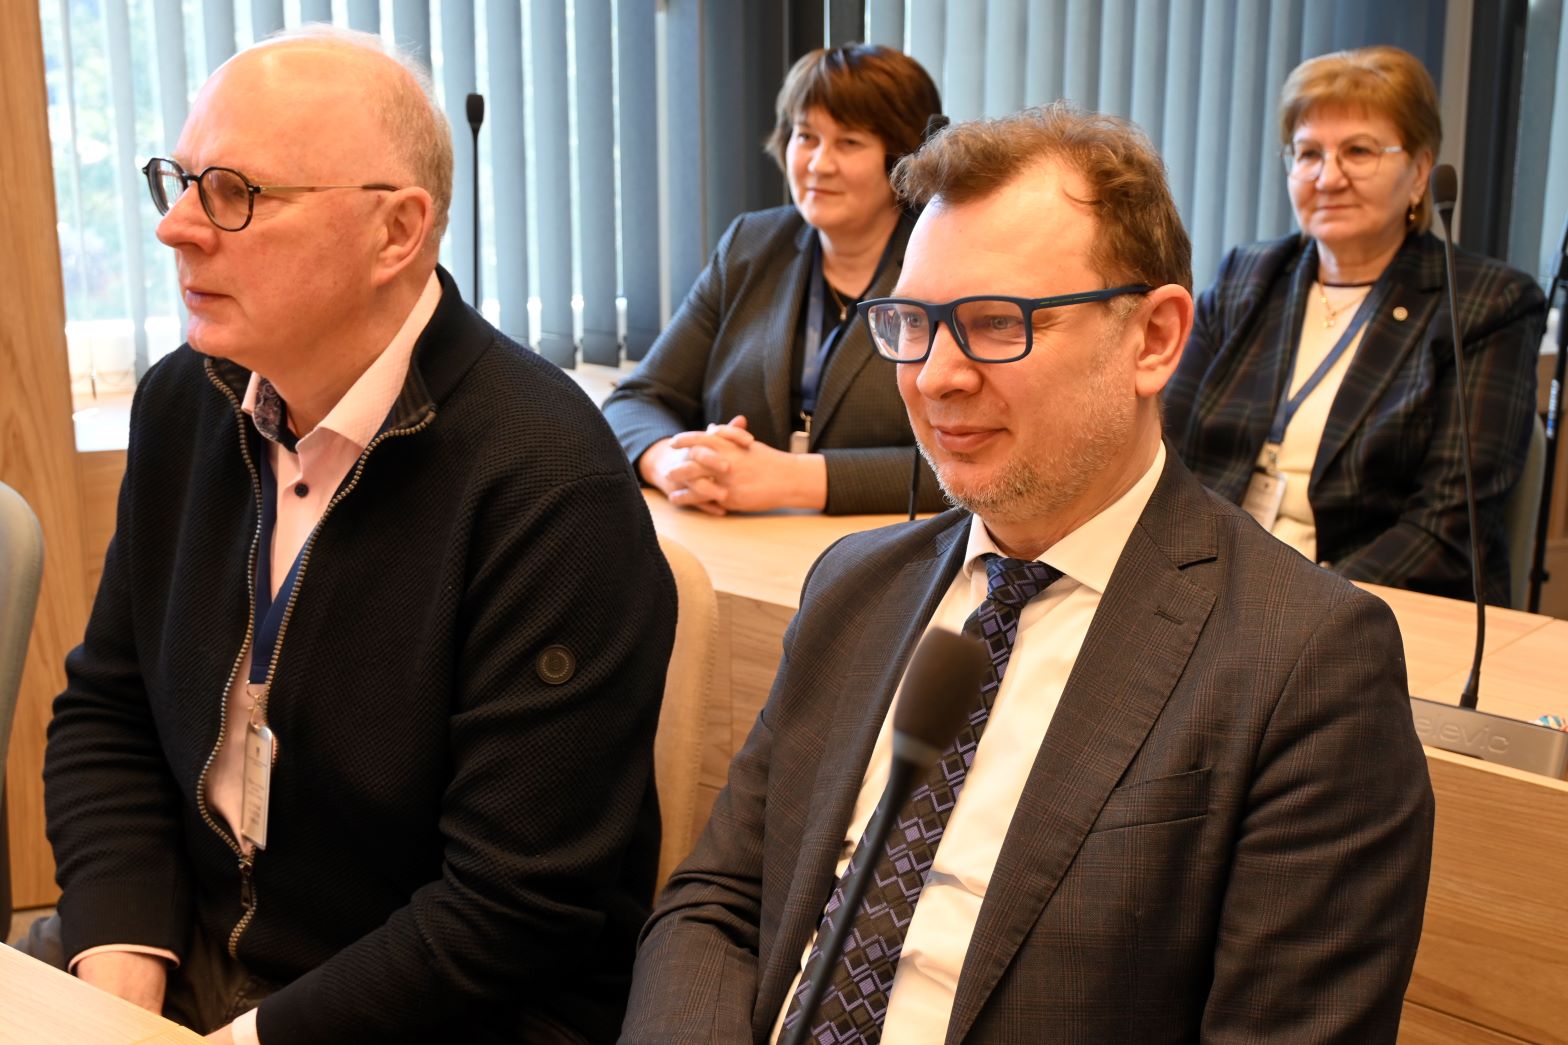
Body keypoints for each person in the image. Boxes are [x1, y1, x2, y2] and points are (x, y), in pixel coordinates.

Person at [620, 103, 1434, 1044]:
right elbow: (720, 902)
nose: (935, 376)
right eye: (912, 323)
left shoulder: (1308, 662)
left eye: (995, 323)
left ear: (1155, 339)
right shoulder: (856, 586)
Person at [29, 26, 674, 1045]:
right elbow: (111, 712)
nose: (176, 228)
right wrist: (121, 966)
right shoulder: (185, 402)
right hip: (187, 954)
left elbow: (512, 907)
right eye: (180, 181)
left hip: (443, 1008)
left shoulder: (548, 482)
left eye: (233, 192)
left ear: (396, 232)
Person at [1163, 45, 1545, 604]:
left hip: (1368, 603)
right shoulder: (1249, 278)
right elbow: (1165, 448)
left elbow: (1445, 526)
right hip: (1210, 584)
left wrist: (1307, 604)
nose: (1328, 177)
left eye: (1358, 151)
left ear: (1419, 172)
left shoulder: (1487, 303)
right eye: (1308, 153)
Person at [602, 44, 947, 516]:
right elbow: (636, 399)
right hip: (738, 537)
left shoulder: (947, 268)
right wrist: (670, 462)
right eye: (806, 137)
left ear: (904, 156)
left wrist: (796, 480)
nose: (818, 163)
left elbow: (981, 460)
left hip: (885, 545)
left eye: (849, 142)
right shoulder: (751, 245)